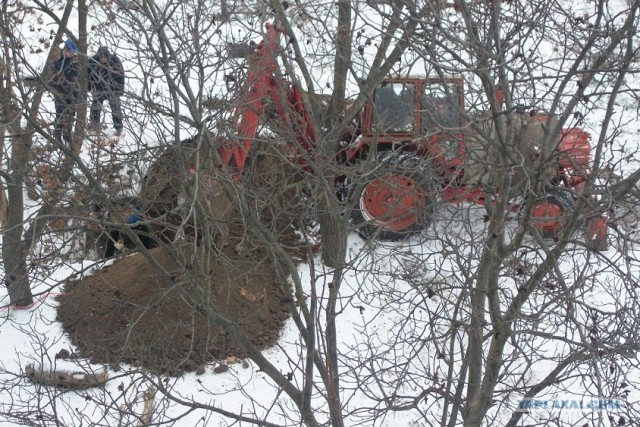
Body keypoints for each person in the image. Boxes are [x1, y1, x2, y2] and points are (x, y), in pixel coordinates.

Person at [88, 46, 125, 134]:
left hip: (112, 89)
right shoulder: (93, 61)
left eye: (104, 58)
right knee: (96, 107)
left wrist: (119, 90)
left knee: (115, 107)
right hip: (98, 87)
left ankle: (118, 127)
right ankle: (94, 125)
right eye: (101, 58)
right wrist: (89, 87)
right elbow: (87, 74)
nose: (102, 59)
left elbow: (121, 76)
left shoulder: (115, 61)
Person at [49, 38, 79, 143]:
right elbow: (50, 75)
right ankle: (57, 136)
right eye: (72, 52)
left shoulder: (76, 61)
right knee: (60, 114)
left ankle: (67, 135)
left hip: (73, 92)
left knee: (70, 114)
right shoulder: (56, 59)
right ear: (66, 49)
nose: (73, 55)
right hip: (60, 91)